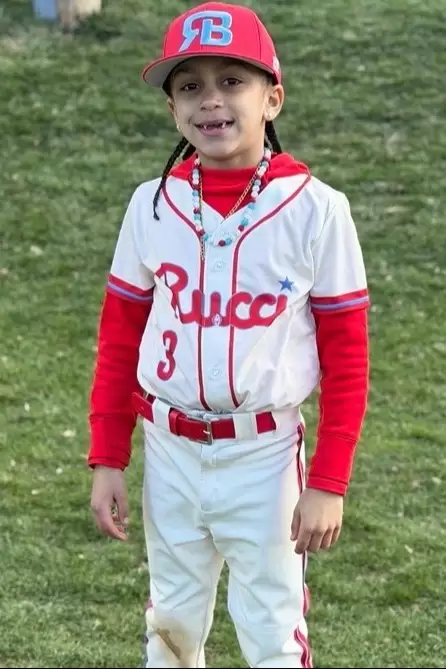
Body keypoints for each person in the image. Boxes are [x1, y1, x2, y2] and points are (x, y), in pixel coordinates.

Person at [87, 2, 370, 667]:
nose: (210, 100)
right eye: (190, 86)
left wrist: (329, 480)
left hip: (264, 457)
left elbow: (348, 356)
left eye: (232, 81)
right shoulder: (151, 204)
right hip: (168, 451)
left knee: (271, 628)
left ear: (273, 98)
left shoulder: (318, 210)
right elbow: (120, 337)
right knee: (170, 620)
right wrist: (108, 457)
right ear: (172, 109)